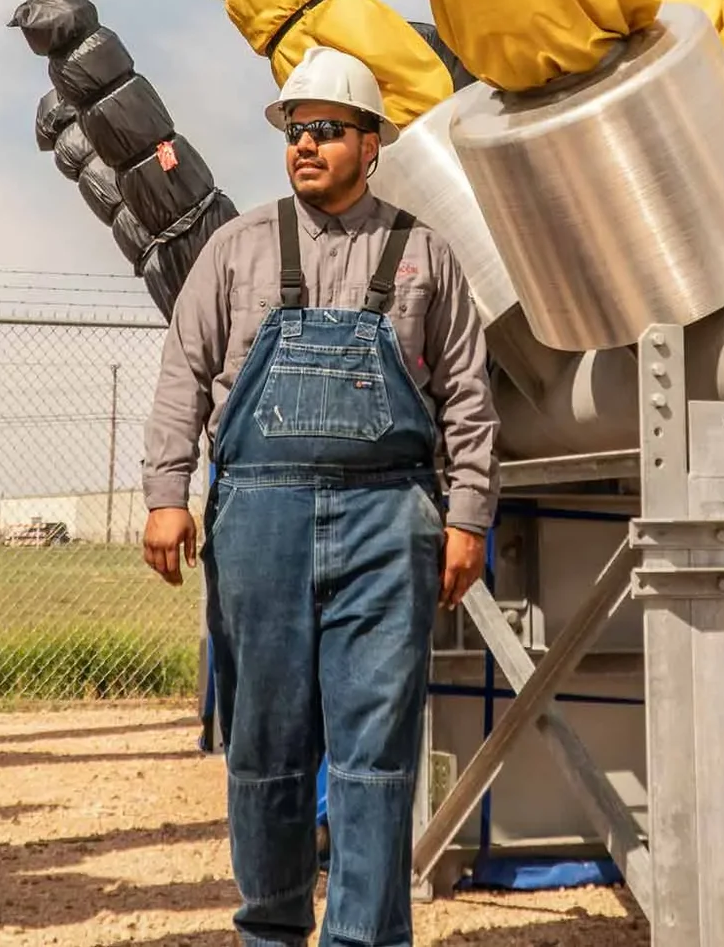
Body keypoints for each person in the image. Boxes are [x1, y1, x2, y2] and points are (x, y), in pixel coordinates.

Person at [143, 46, 497, 947]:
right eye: (295, 131)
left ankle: (363, 937)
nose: (304, 145)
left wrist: (467, 515)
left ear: (370, 144)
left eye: (326, 130)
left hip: (390, 521)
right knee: (265, 745)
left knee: (376, 751)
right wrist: (166, 491)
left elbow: (467, 393)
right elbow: (183, 370)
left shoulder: (426, 254)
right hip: (259, 518)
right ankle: (270, 930)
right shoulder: (238, 247)